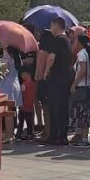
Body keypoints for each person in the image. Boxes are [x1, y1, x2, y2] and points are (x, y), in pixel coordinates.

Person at [40, 17, 74, 146]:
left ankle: (54, 136)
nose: (51, 28)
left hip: (56, 77)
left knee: (54, 107)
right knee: (63, 108)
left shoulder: (58, 40)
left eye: (52, 25)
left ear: (57, 25)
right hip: (65, 77)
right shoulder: (67, 40)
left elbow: (51, 57)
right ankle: (63, 136)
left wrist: (46, 71)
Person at [69, 34, 90, 147]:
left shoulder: (81, 54)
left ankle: (84, 138)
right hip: (88, 86)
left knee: (82, 112)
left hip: (82, 87)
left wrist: (74, 84)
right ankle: (79, 135)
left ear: (79, 43)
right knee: (83, 112)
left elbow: (82, 70)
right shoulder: (89, 54)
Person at [0, 47, 22, 144]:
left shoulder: (6, 57)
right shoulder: (17, 56)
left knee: (7, 112)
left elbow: (3, 72)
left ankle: (9, 135)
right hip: (15, 83)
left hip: (6, 85)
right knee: (11, 111)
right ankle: (11, 135)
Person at [16, 70, 37, 140]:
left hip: (23, 106)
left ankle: (19, 134)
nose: (22, 77)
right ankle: (30, 134)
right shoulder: (34, 84)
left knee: (21, 121)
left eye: (22, 75)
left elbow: (20, 94)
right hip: (30, 106)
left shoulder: (24, 84)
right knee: (29, 122)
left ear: (27, 74)